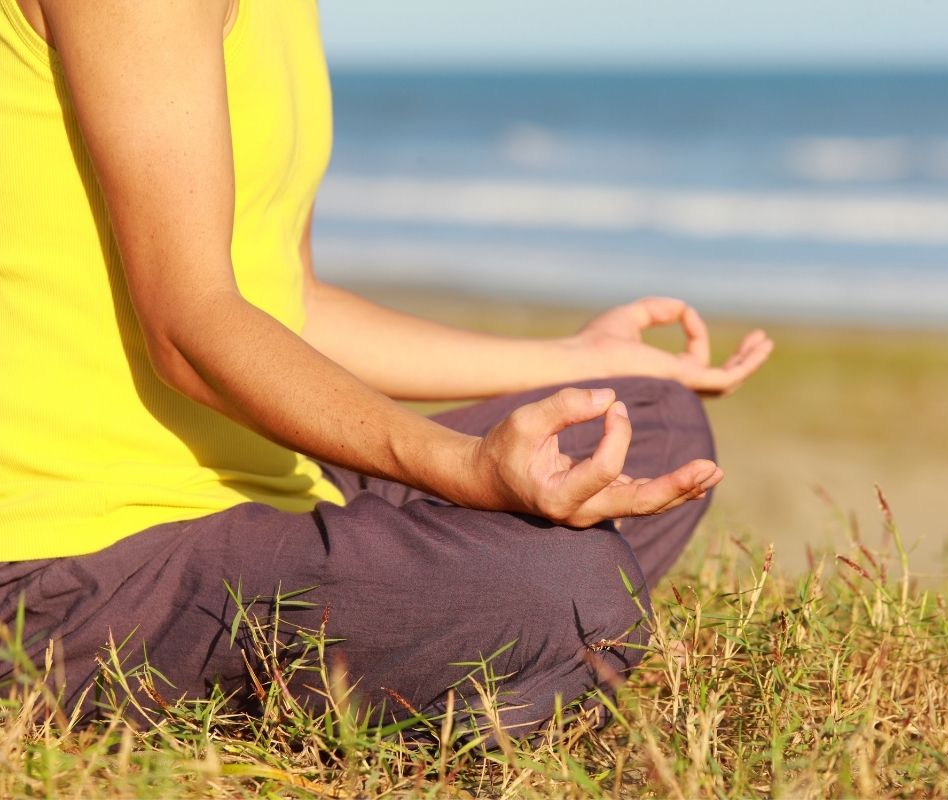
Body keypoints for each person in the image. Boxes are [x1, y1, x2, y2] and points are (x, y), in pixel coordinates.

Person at [0, 0, 772, 737]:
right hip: (74, 560)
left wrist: (577, 361)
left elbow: (291, 305)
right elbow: (191, 328)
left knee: (648, 415)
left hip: (258, 486)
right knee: (570, 591)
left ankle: (431, 639)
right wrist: (463, 466)